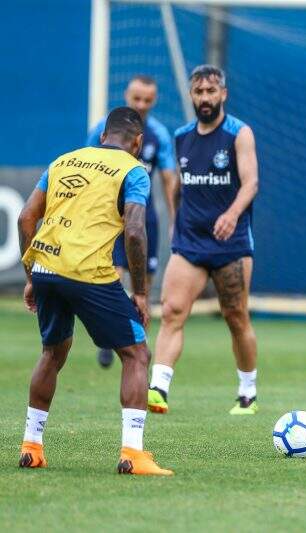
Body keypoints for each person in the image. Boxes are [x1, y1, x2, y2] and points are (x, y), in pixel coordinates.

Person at [17, 107, 172, 475]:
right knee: (136, 353)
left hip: (46, 266)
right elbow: (135, 231)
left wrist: (31, 276)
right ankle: (133, 454)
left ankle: (31, 445)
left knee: (52, 353)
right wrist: (140, 292)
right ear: (137, 142)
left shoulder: (63, 161)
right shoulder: (133, 170)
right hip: (88, 271)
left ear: (103, 135)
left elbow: (26, 217)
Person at [147, 65, 260, 416]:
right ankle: (158, 388)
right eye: (199, 92)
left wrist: (231, 214)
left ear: (223, 94)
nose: (205, 98)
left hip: (231, 244)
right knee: (172, 311)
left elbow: (251, 183)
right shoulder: (181, 136)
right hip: (190, 241)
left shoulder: (238, 133)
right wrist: (174, 219)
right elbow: (178, 185)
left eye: (211, 91)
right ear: (191, 96)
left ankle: (247, 392)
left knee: (235, 316)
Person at [87, 75, 178, 369]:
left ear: (154, 100)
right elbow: (85, 167)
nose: (141, 105)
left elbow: (168, 178)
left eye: (147, 100)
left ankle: (139, 344)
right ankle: (107, 339)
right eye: (136, 98)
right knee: (112, 279)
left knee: (144, 286)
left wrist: (175, 220)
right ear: (126, 94)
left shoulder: (158, 135)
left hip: (144, 217)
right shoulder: (103, 130)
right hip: (110, 218)